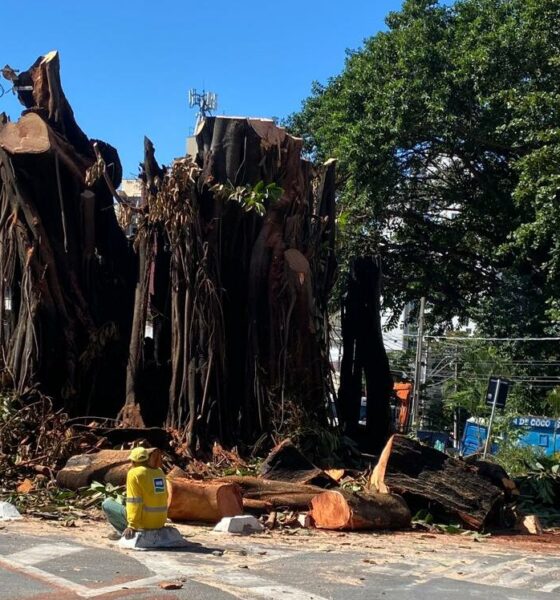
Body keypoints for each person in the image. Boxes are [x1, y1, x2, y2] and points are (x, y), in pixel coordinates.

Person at [102, 447, 168, 539]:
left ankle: (121, 531)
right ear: (147, 459)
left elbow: (134, 501)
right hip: (159, 522)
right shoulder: (159, 472)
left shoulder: (134, 473)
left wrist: (132, 526)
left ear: (133, 462)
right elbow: (164, 496)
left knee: (107, 503)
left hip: (144, 523)